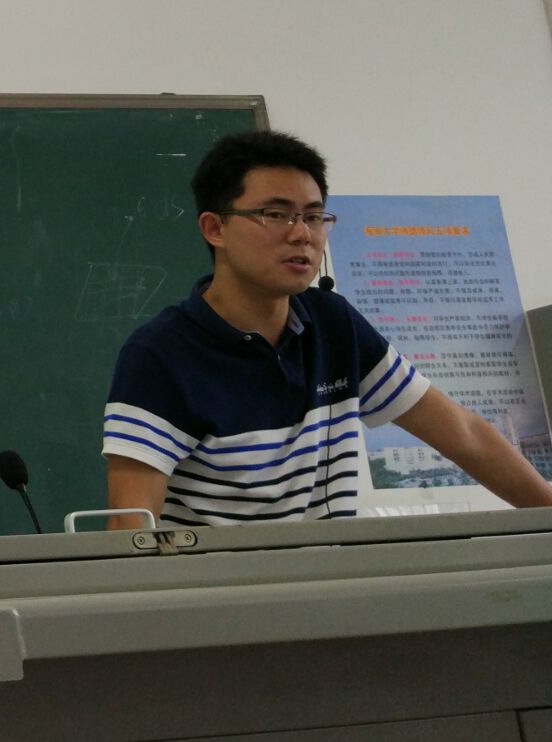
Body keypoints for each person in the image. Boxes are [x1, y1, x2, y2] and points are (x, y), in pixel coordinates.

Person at [101, 130, 552, 526]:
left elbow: (466, 436)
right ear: (215, 228)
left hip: (328, 582)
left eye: (314, 216)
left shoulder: (332, 323)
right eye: (275, 214)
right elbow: (132, 525)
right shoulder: (160, 354)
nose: (302, 234)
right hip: (219, 590)